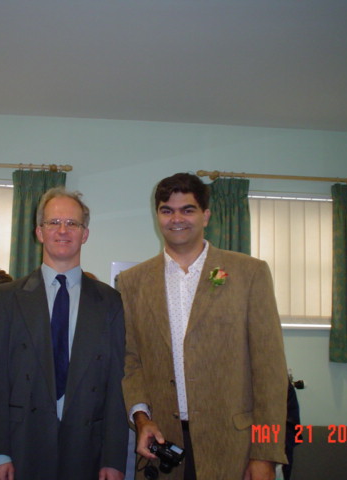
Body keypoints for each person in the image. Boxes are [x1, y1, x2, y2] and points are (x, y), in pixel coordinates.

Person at [118, 173, 288, 480]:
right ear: (157, 215)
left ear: (206, 215)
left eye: (188, 209)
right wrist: (141, 419)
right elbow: (132, 362)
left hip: (234, 447)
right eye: (167, 210)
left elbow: (270, 374)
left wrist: (266, 454)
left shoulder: (249, 273)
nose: (176, 219)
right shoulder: (132, 282)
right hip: (164, 446)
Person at [0, 187, 128, 480]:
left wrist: (113, 459)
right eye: (53, 223)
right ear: (39, 231)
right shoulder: (7, 297)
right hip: (21, 446)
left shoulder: (110, 300)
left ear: (85, 234)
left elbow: (116, 385)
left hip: (88, 450)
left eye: (72, 223)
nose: (63, 230)